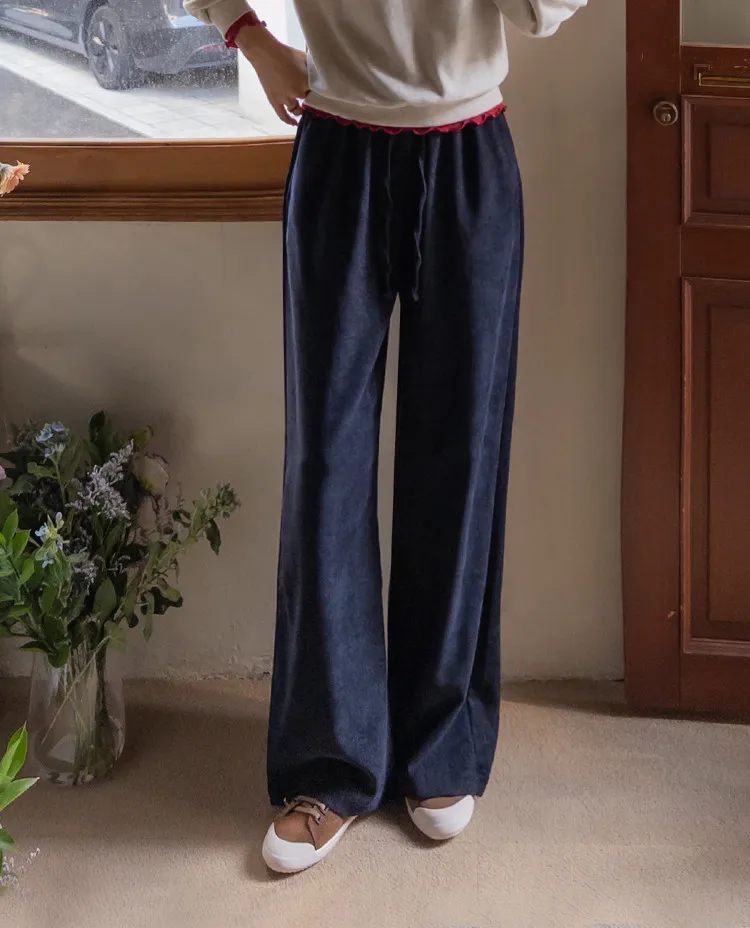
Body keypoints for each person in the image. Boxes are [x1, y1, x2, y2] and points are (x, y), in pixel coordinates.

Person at [185, 0, 588, 874]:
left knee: (462, 451)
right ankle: (329, 765)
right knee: (325, 461)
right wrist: (250, 38)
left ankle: (439, 744)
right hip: (340, 149)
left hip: (469, 150)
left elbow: (541, 14)